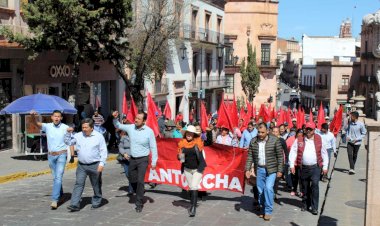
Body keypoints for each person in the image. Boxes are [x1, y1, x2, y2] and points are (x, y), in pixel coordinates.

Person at [113, 110, 158, 213]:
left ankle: (139, 202)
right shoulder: (130, 127)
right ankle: (139, 191)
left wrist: (154, 162)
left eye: (139, 118)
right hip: (132, 159)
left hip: (143, 159)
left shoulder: (149, 131)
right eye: (136, 118)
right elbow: (118, 125)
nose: (136, 120)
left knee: (140, 180)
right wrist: (115, 118)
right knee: (132, 179)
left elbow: (153, 147)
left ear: (144, 121)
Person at [30, 110, 72, 210]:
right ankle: (61, 195)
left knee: (58, 177)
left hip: (62, 154)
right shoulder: (47, 126)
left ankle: (54, 199)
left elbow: (70, 141)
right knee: (56, 178)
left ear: (61, 118)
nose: (57, 118)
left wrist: (72, 155)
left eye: (58, 116)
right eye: (55, 116)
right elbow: (36, 124)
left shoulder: (65, 127)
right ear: (52, 117)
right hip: (51, 156)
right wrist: (32, 117)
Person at [65, 118, 108, 212]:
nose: (84, 129)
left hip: (95, 165)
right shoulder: (78, 135)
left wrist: (102, 164)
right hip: (82, 166)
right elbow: (68, 142)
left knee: (96, 185)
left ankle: (97, 201)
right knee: (78, 184)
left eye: (86, 127)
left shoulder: (99, 136)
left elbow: (103, 151)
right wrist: (68, 133)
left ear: (92, 128)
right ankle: (74, 204)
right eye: (82, 127)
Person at [245, 123, 284, 221]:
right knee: (261, 190)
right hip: (260, 169)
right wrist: (247, 169)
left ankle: (268, 211)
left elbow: (280, 156)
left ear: (267, 131)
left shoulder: (275, 140)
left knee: (268, 188)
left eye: (262, 132)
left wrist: (280, 170)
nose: (260, 134)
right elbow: (250, 156)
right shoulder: (253, 141)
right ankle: (262, 209)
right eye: (259, 132)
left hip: (271, 169)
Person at [289, 122, 328, 215]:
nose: (309, 131)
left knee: (315, 185)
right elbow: (293, 151)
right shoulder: (299, 139)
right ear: (305, 130)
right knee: (304, 187)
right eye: (307, 129)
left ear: (314, 130)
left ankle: (314, 207)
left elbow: (324, 153)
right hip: (303, 168)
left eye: (311, 129)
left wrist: (325, 166)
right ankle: (305, 204)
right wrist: (291, 165)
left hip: (315, 167)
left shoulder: (319, 139)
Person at [177, 125, 207, 217]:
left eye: (191, 133)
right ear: (185, 134)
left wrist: (200, 169)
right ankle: (193, 202)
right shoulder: (182, 144)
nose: (189, 134)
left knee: (194, 186)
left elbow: (201, 159)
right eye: (187, 133)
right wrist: (179, 157)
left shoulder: (198, 143)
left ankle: (193, 208)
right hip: (187, 169)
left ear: (194, 135)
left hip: (197, 169)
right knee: (190, 187)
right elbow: (181, 159)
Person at [286, 129, 304, 196]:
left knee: (300, 177)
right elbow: (286, 147)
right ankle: (294, 189)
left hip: (301, 163)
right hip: (294, 162)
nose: (300, 135)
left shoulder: (304, 140)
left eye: (301, 134)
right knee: (294, 177)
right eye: (299, 133)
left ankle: (301, 190)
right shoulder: (292, 139)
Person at [118, 130, 134, 195]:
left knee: (133, 174)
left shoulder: (137, 137)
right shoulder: (123, 137)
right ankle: (133, 185)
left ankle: (131, 188)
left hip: (134, 158)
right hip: (125, 158)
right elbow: (120, 147)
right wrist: (124, 153)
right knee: (128, 174)